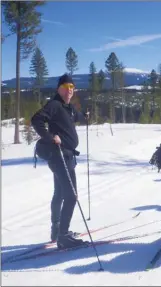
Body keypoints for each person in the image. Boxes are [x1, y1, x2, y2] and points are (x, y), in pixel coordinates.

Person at [31, 74, 89, 248]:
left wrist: (85, 116)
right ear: (59, 88)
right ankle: (63, 236)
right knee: (71, 195)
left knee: (59, 193)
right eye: (66, 87)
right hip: (60, 156)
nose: (69, 90)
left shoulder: (67, 107)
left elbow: (77, 116)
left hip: (66, 156)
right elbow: (36, 120)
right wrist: (50, 137)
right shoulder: (55, 105)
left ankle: (57, 230)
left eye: (72, 87)